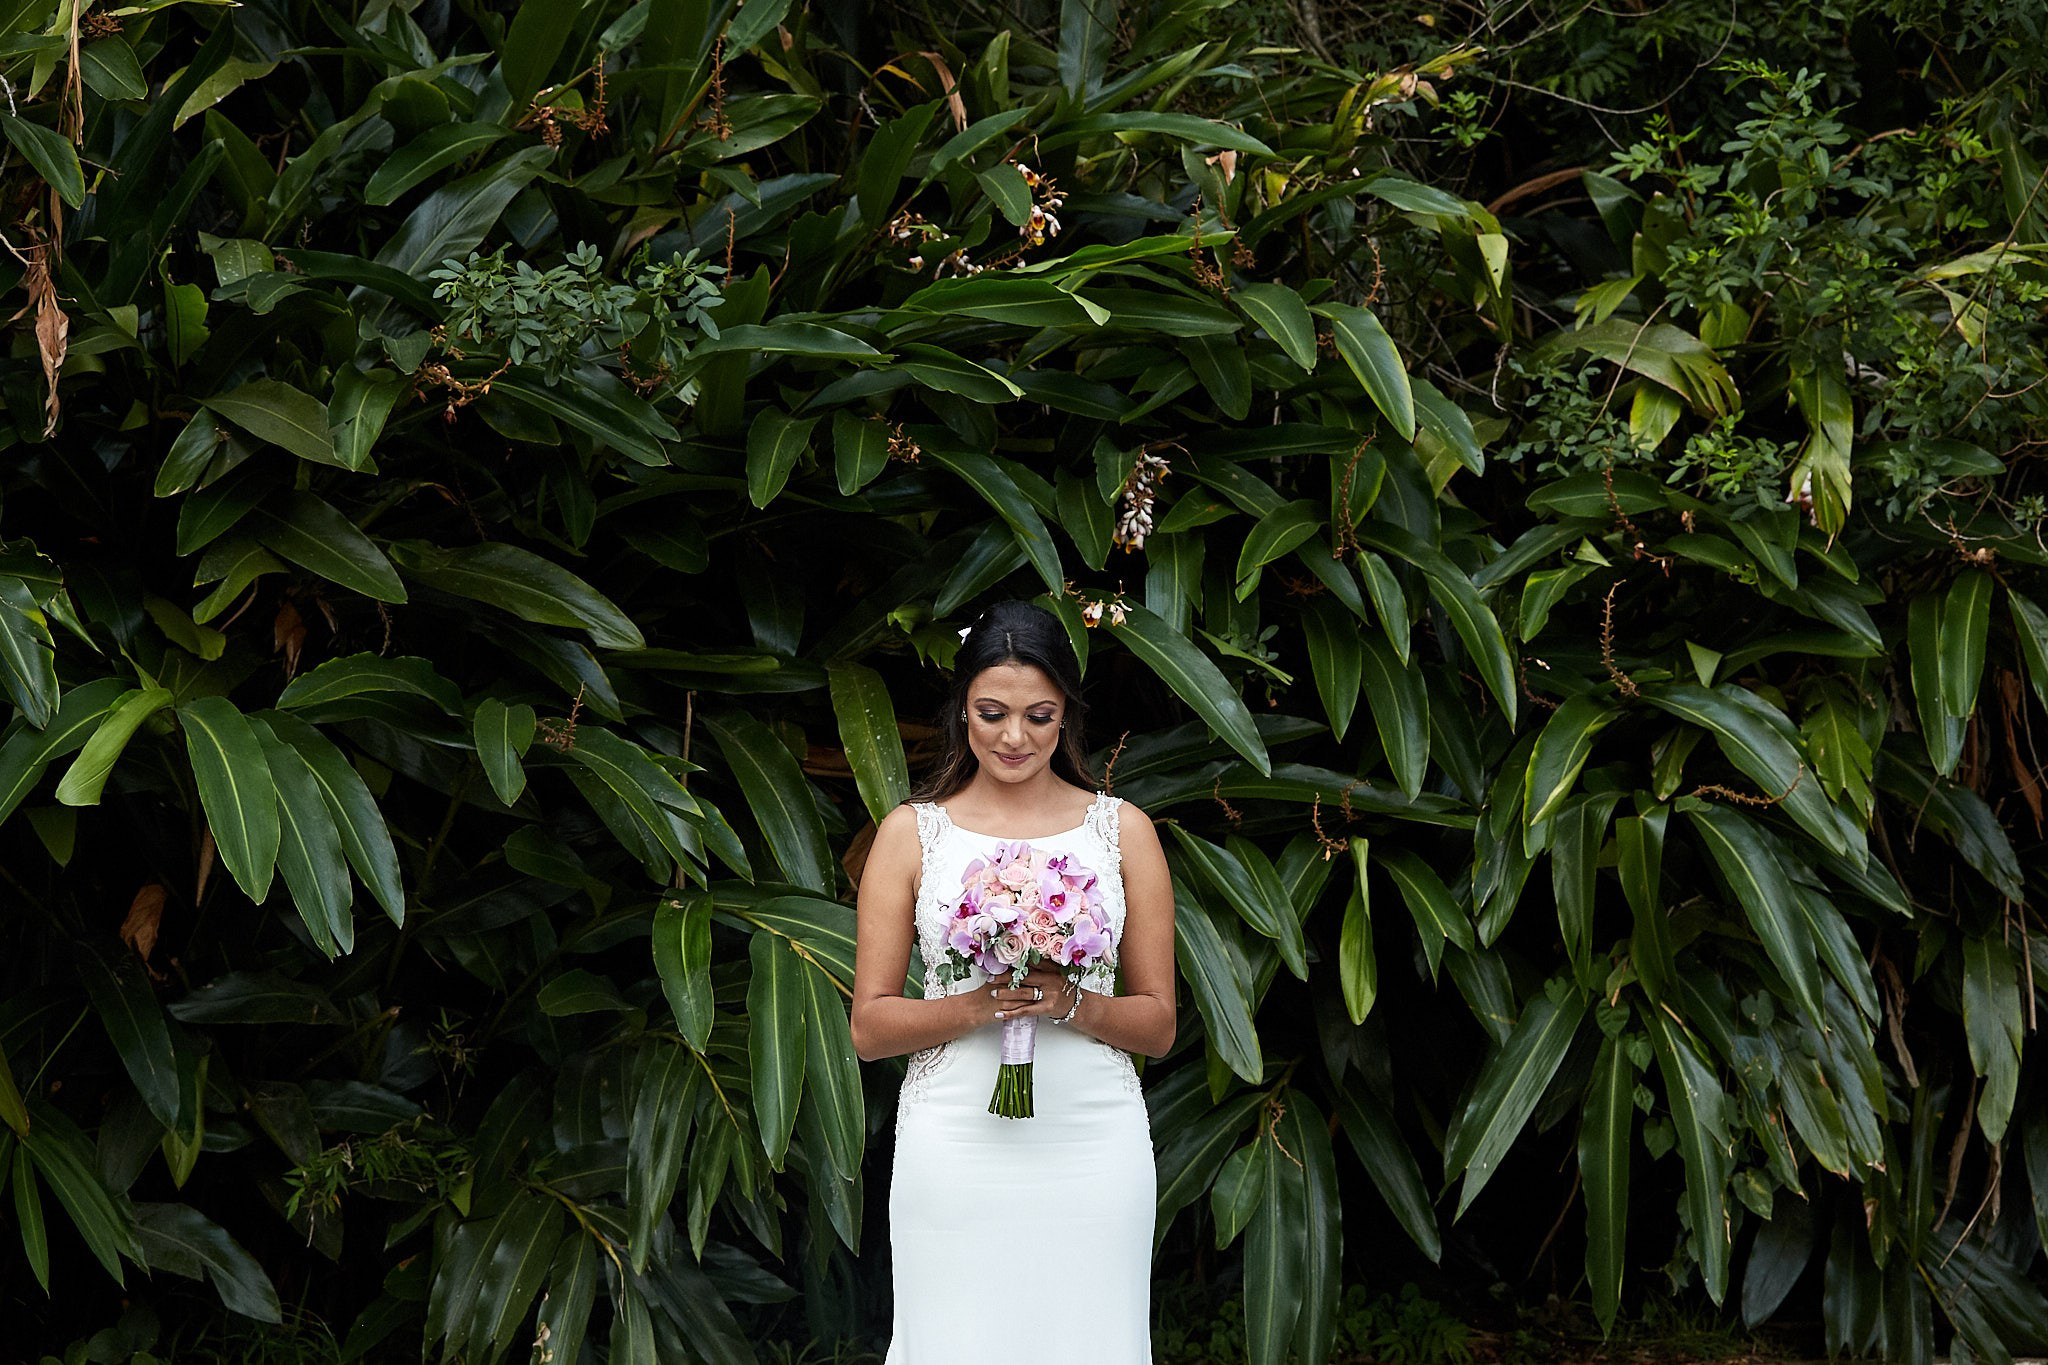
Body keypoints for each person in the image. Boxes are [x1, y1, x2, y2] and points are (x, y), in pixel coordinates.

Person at [851, 599, 1177, 1364]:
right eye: (992, 712)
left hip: (1092, 1138)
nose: (1014, 736)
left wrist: (1072, 1001)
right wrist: (975, 1003)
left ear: (1066, 715)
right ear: (962, 710)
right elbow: (869, 1028)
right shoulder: (912, 832)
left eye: (1039, 715)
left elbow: (1159, 1024)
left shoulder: (1121, 830)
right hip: (956, 1142)